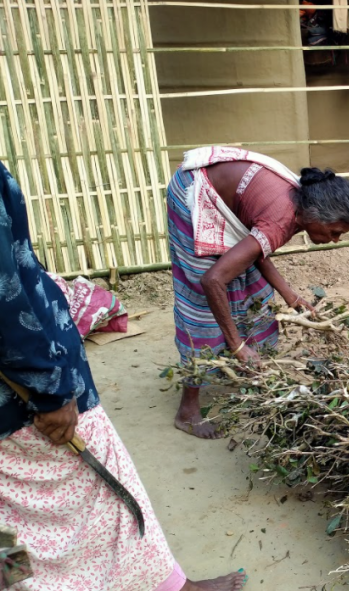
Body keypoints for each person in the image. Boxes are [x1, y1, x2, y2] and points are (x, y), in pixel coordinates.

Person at [0, 162, 247, 591]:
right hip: (26, 396)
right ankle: (168, 587)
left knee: (6, 519)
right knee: (108, 495)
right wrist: (50, 388)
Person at [167, 147, 349, 438]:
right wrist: (235, 344)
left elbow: (258, 250)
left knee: (254, 292)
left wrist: (289, 295)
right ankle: (188, 411)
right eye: (334, 232)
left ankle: (247, 369)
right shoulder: (282, 220)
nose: (334, 240)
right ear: (315, 217)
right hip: (196, 194)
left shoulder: (302, 205)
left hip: (229, 197)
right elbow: (212, 280)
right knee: (204, 311)